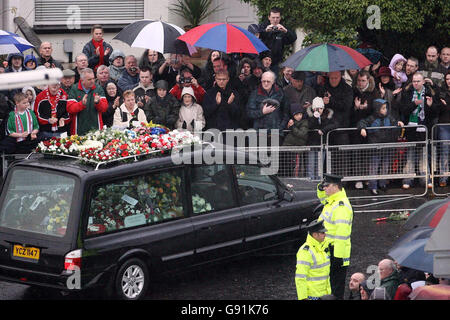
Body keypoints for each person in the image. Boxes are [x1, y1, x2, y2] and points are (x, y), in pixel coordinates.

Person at [317, 173, 353, 300]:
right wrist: (320, 187)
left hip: (336, 253)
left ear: (335, 186)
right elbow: (322, 197)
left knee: (336, 290)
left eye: (326, 186)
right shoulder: (332, 200)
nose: (324, 188)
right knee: (329, 286)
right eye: (323, 186)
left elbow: (341, 234)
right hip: (330, 251)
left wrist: (337, 256)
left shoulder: (341, 206)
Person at [400, 72, 438, 189]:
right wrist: (413, 104)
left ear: (423, 82)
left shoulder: (429, 92)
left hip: (424, 127)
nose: (415, 83)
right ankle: (408, 179)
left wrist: (430, 106)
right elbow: (403, 110)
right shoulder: (407, 93)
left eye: (418, 81)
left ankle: (425, 179)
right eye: (414, 81)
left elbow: (435, 113)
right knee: (410, 155)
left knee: (424, 155)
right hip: (411, 127)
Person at [358, 99, 404, 195]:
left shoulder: (389, 118)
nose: (385, 110)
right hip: (375, 148)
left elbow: (395, 123)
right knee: (374, 168)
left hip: (387, 147)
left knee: (385, 167)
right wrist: (362, 128)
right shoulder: (371, 119)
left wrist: (399, 124)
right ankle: (373, 186)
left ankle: (382, 184)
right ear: (377, 109)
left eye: (386, 108)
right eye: (383, 108)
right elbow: (362, 122)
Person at [246, 70, 290, 142]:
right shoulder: (254, 94)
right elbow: (249, 112)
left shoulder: (280, 93)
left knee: (276, 153)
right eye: (264, 81)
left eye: (268, 81)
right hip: (260, 133)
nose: (266, 83)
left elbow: (286, 112)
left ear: (273, 82)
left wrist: (280, 127)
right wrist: (262, 112)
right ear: (261, 81)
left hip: (276, 133)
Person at [295, 219, 331, 300]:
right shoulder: (305, 252)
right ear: (315, 235)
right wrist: (303, 298)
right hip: (312, 296)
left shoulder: (321, 247)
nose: (325, 234)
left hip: (325, 295)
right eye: (322, 233)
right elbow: (300, 277)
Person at [67, 68, 108, 135]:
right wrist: (81, 104)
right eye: (89, 79)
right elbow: (70, 109)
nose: (92, 81)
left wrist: (98, 103)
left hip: (96, 129)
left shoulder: (98, 88)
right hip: (78, 130)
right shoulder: (74, 89)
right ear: (82, 80)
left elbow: (104, 108)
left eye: (93, 78)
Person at [258, 7, 297, 74]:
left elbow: (293, 38)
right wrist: (265, 31)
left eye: (277, 17)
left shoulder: (282, 28)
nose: (275, 20)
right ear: (269, 17)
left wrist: (285, 31)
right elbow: (255, 36)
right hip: (262, 62)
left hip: (275, 63)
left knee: (274, 82)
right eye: (273, 17)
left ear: (280, 18)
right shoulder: (263, 26)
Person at [306, 97, 338, 180]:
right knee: (311, 165)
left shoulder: (327, 115)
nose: (319, 110)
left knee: (319, 166)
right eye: (317, 108)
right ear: (313, 108)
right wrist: (314, 117)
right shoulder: (309, 115)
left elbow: (335, 124)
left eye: (321, 108)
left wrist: (323, 130)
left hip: (322, 144)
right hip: (312, 144)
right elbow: (309, 126)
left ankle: (319, 182)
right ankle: (310, 183)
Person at [282, 103, 309, 176]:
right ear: (293, 115)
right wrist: (288, 126)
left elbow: (302, 134)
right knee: (287, 167)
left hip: (297, 148)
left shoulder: (304, 122)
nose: (299, 116)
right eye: (297, 115)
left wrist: (292, 127)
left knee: (296, 167)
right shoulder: (291, 121)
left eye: (300, 114)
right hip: (288, 147)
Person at [437, 71, 450, 186]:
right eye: (447, 79)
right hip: (444, 125)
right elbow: (439, 109)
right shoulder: (442, 92)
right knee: (444, 151)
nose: (449, 81)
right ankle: (443, 178)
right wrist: (442, 105)